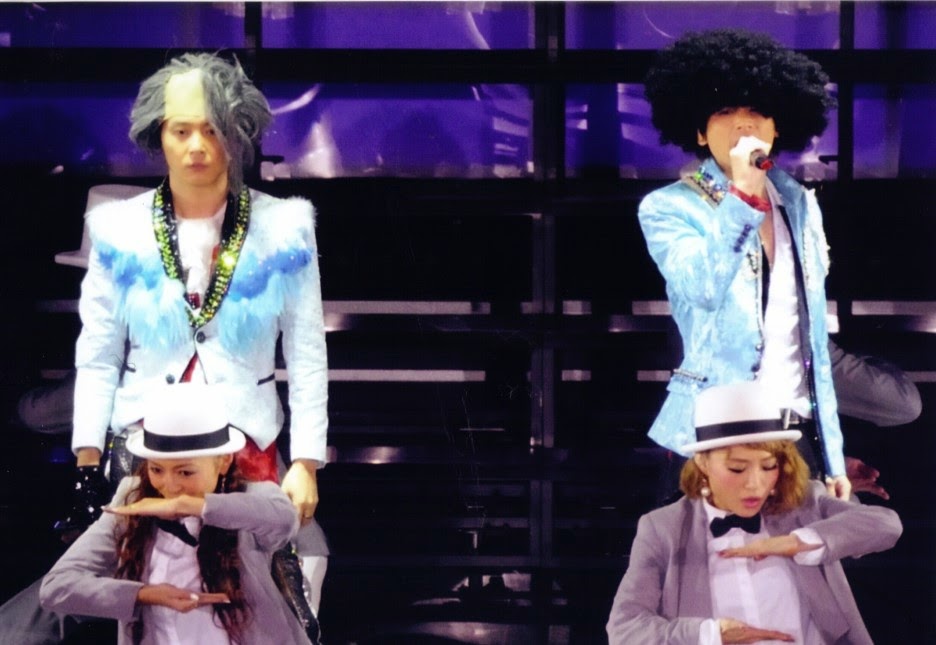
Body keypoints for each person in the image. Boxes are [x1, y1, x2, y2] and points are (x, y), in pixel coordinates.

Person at [57, 51, 327, 638]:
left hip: (247, 445)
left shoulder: (285, 227)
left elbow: (308, 354)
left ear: (237, 134)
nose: (198, 146)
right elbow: (98, 353)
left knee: (271, 605)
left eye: (213, 129)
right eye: (182, 130)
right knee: (153, 598)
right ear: (159, 133)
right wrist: (86, 458)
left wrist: (306, 461)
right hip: (144, 446)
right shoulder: (117, 229)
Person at [639, 28, 850, 498]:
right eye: (723, 112)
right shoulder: (668, 207)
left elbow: (812, 340)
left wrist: (834, 459)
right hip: (713, 435)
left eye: (757, 111)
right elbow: (702, 288)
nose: (743, 124)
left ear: (778, 127)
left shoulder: (800, 204)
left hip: (794, 434)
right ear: (699, 131)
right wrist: (741, 194)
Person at [606, 381, 902, 645]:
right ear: (703, 463)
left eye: (768, 466)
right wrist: (711, 635)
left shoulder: (804, 502)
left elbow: (886, 525)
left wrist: (800, 541)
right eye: (737, 468)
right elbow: (625, 630)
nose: (755, 484)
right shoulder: (664, 528)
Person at [39, 383, 311, 644]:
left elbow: (285, 519)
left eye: (185, 472)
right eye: (156, 469)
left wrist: (190, 506)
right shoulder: (132, 499)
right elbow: (57, 586)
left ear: (223, 461)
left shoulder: (250, 497)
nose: (170, 486)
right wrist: (145, 594)